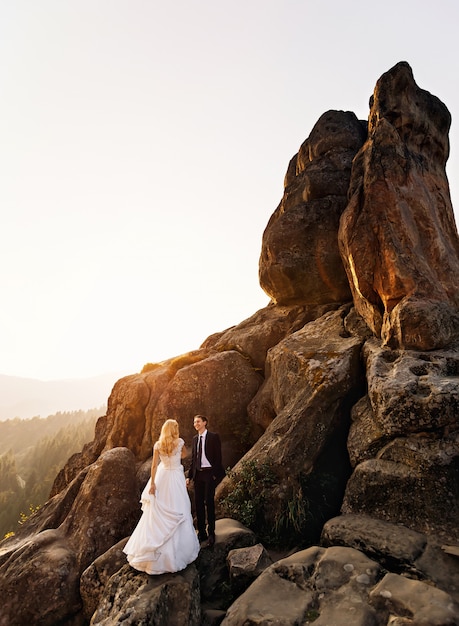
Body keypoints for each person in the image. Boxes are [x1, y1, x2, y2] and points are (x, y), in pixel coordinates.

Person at [123, 419, 200, 574]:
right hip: (176, 478)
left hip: (162, 477)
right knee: (179, 507)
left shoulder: (158, 445)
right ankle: (179, 552)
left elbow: (153, 465)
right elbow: (184, 455)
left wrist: (152, 484)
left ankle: (153, 555)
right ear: (174, 429)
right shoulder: (179, 442)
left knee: (158, 511)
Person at [186, 414, 225, 547]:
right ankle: (201, 533)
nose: (195, 424)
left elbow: (218, 457)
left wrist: (214, 475)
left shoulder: (213, 437)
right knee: (198, 504)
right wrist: (189, 476)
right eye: (194, 422)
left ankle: (211, 533)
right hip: (198, 476)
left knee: (209, 502)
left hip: (209, 474)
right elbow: (193, 460)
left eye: (198, 421)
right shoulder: (195, 439)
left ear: (204, 423)